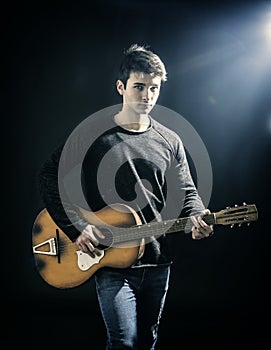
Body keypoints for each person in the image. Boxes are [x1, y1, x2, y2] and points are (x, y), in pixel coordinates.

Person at [38, 43, 214, 350]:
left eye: (154, 89)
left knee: (147, 340)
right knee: (123, 343)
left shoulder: (169, 140)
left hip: (159, 261)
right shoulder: (93, 133)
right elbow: (49, 175)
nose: (147, 97)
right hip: (111, 262)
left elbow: (187, 190)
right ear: (121, 87)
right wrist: (77, 226)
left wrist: (198, 215)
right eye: (139, 87)